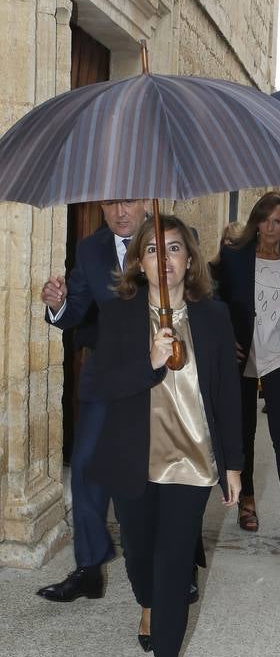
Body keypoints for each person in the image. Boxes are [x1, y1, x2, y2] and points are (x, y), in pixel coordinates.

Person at [91, 215, 243, 657]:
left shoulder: (215, 317)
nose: (166, 258)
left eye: (175, 248)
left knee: (175, 562)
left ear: (190, 259)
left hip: (192, 459)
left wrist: (234, 465)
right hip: (134, 457)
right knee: (138, 555)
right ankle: (148, 604)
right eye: (154, 250)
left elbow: (227, 394)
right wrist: (149, 362)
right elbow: (103, 386)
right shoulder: (117, 315)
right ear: (139, 262)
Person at [37, 200, 202, 604]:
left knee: (169, 470)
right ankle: (89, 568)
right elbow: (74, 309)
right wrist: (57, 303)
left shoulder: (173, 238)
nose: (119, 211)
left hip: (165, 376)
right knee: (88, 469)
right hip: (107, 377)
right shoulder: (91, 248)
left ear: (146, 201)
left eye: (128, 200)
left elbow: (196, 296)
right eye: (110, 203)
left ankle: (179, 566)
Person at [218, 191, 280, 548]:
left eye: (278, 221)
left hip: (278, 357)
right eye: (266, 220)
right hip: (242, 357)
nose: (271, 228)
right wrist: (227, 339)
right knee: (244, 434)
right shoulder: (235, 258)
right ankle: (247, 502)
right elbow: (217, 303)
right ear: (256, 221)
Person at [208, 221, 244, 285]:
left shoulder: (245, 272)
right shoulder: (211, 269)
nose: (226, 243)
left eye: (232, 240)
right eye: (225, 239)